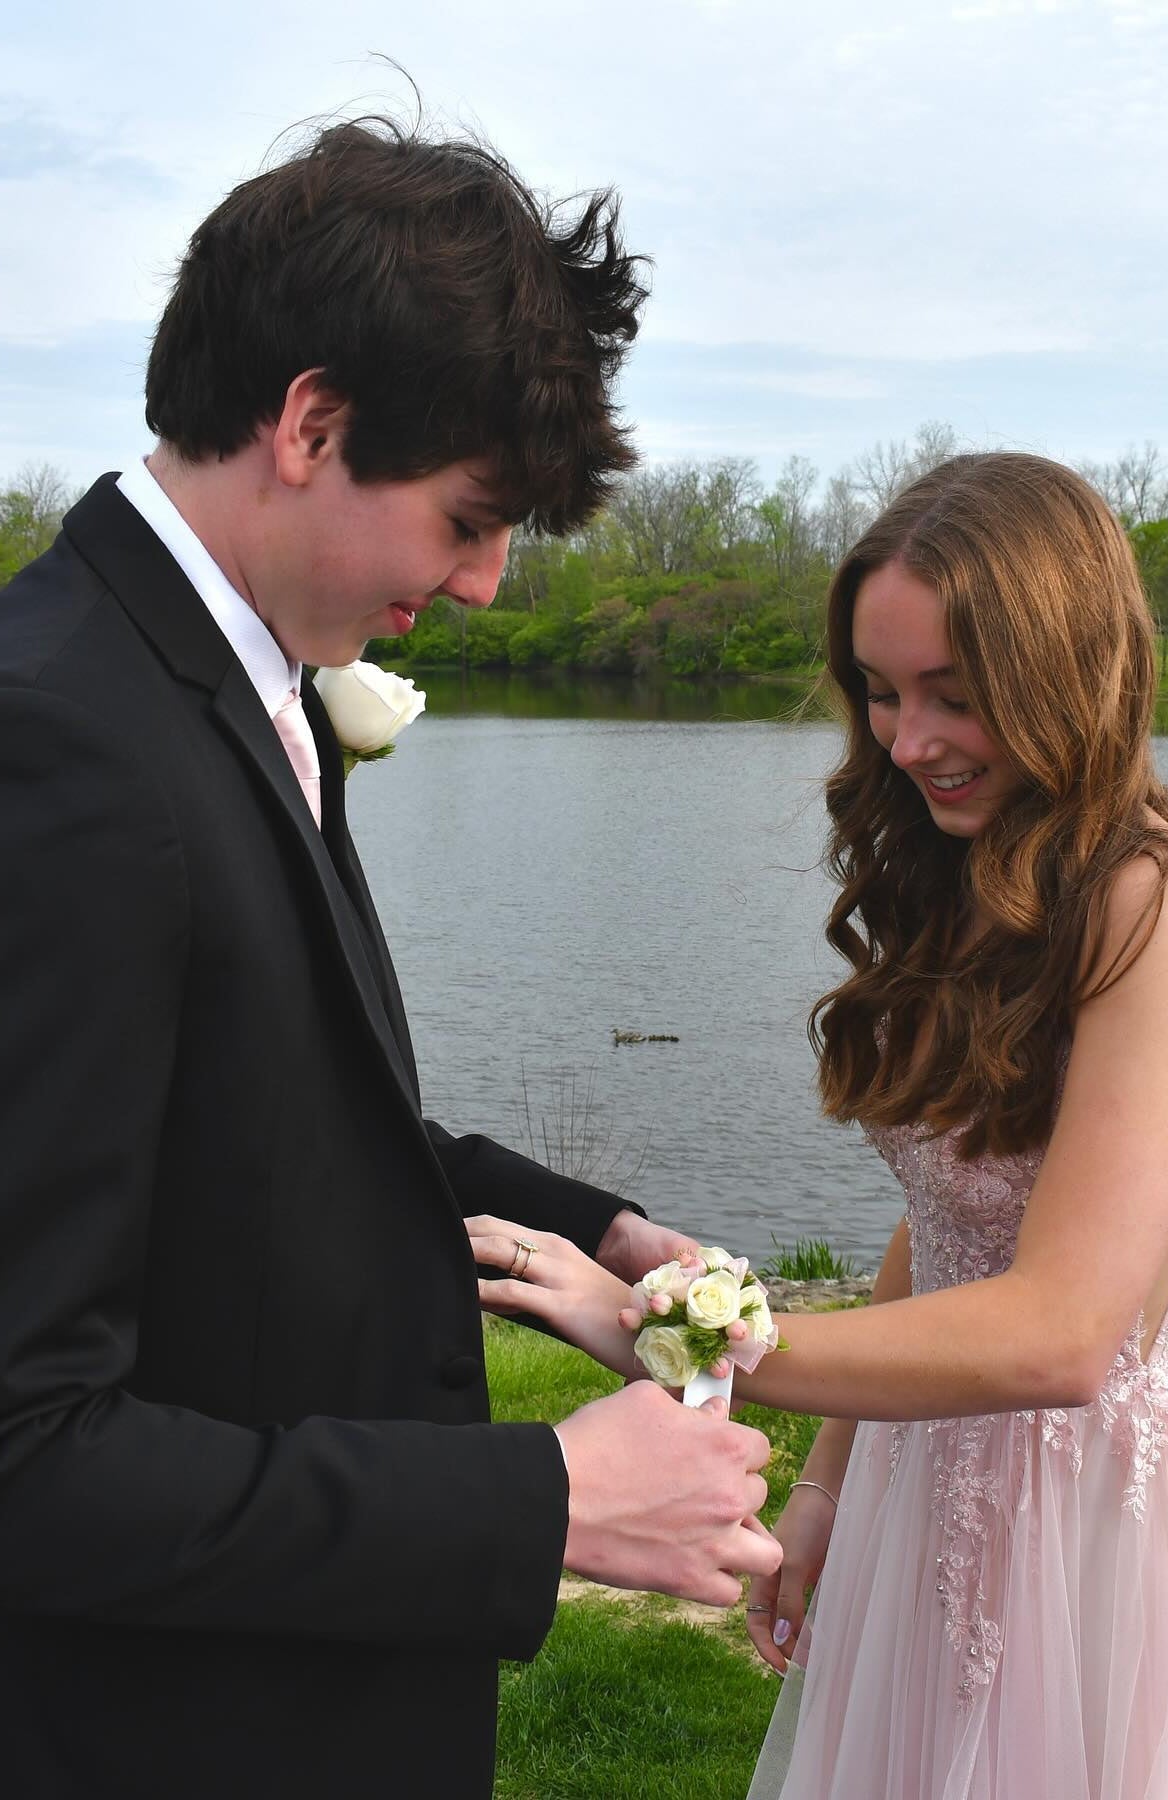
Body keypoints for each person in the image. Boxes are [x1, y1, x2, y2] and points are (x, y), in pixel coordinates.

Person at [0, 115, 780, 1799]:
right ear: (311, 421)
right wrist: (544, 1502)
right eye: (472, 517)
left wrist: (606, 1233)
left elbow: (266, 1122)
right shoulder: (57, 748)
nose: (492, 585)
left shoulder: (228, 689)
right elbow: (24, 1452)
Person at [472, 452, 1168, 1798]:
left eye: (955, 697)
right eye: (879, 692)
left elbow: (1066, 1331)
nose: (906, 741)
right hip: (927, 1482)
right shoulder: (975, 878)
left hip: (1091, 1525)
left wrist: (676, 1333)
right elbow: (947, 1225)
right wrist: (827, 1497)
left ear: (1068, 674)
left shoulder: (1152, 904)